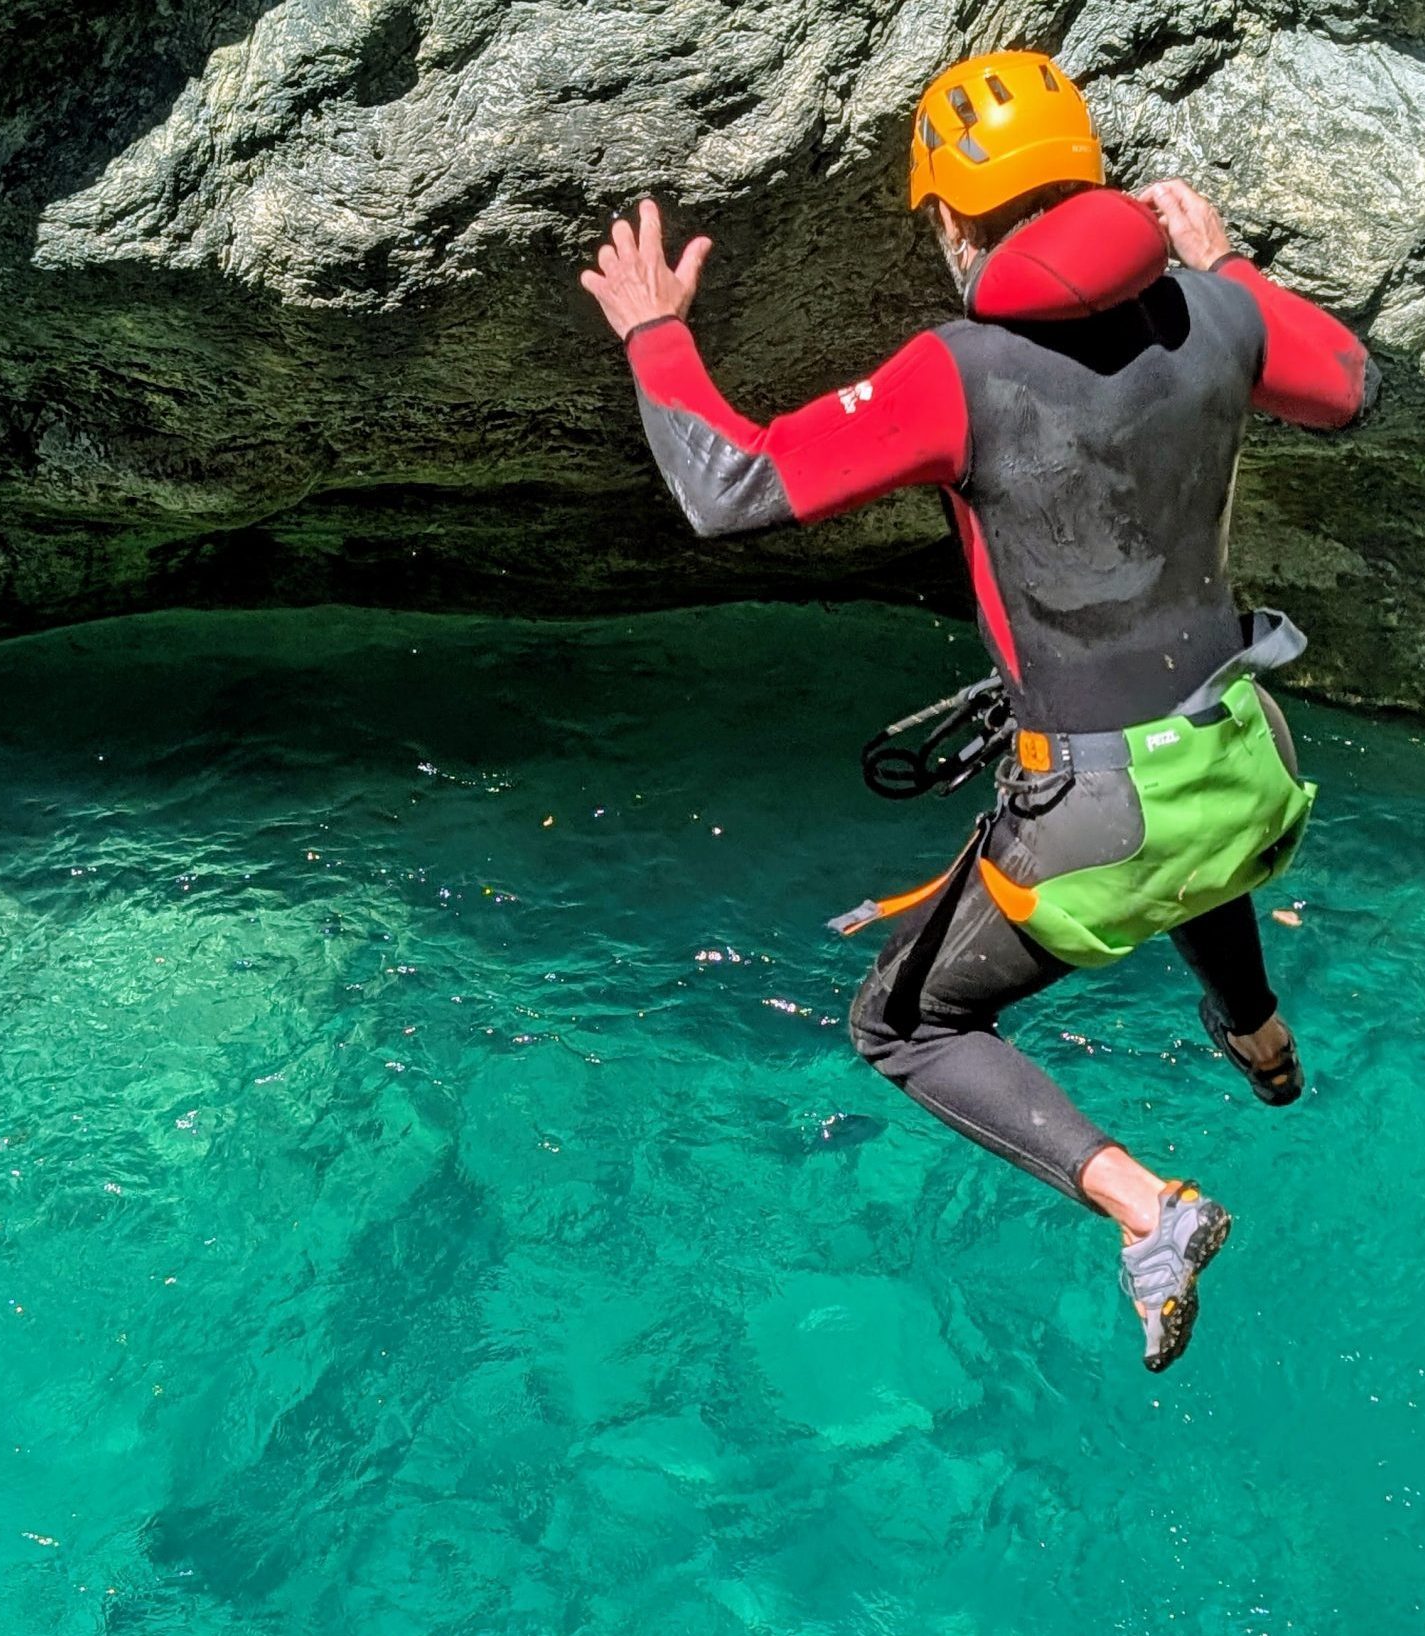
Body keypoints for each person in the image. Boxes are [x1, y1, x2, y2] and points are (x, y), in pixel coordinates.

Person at [580, 49, 1374, 1370]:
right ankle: (1261, 1036)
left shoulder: (961, 370)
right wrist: (1226, 268)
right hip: (1250, 761)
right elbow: (1350, 386)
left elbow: (731, 486)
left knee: (900, 1025)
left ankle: (1147, 1209)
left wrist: (654, 332)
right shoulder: (1213, 317)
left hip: (1101, 821)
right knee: (1189, 845)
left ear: (953, 219)